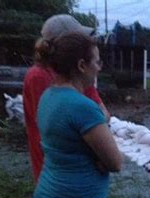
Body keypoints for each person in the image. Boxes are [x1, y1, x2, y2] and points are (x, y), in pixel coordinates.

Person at [33, 31, 123, 198]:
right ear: (82, 65)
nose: (99, 68)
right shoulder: (82, 107)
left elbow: (65, 145)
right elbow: (116, 162)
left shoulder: (48, 96)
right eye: (97, 61)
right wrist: (103, 126)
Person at [23, 14, 110, 183]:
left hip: (80, 166)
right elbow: (54, 129)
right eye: (78, 39)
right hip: (53, 169)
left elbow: (104, 113)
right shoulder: (39, 77)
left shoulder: (79, 74)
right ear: (63, 44)